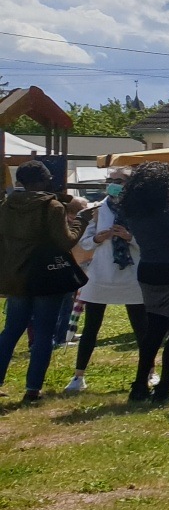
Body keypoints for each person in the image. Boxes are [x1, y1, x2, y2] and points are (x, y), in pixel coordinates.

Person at [0, 161, 84, 405]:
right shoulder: (52, 207)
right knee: (44, 332)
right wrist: (80, 220)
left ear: (20, 182)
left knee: (10, 331)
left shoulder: (6, 206)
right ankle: (32, 389)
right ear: (47, 180)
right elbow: (66, 242)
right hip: (46, 276)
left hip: (16, 275)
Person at [121, 162, 169, 404]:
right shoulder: (166, 212)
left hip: (148, 270)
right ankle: (163, 389)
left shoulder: (133, 212)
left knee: (153, 331)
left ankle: (139, 386)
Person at [64, 168, 144, 395]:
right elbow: (86, 241)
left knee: (141, 326)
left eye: (120, 181)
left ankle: (147, 373)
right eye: (111, 180)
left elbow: (147, 242)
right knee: (91, 327)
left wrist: (129, 237)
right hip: (101, 274)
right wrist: (99, 237)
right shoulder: (97, 210)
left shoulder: (137, 210)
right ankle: (78, 376)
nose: (114, 184)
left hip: (130, 274)